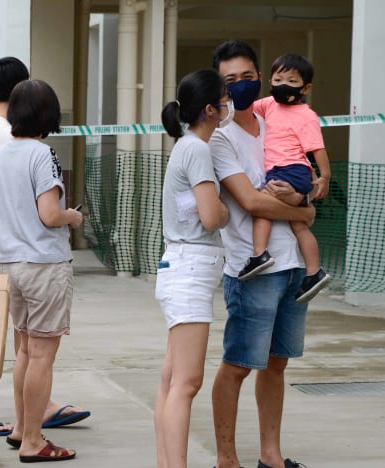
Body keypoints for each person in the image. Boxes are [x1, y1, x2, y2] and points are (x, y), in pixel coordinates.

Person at [0, 57, 90, 437]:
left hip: (9, 263)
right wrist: (72, 216)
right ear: (48, 116)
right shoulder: (42, 155)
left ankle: (21, 429)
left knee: (23, 352)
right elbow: (50, 215)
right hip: (44, 264)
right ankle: (33, 437)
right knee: (42, 357)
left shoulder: (0, 156)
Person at [209, 40, 316, 468]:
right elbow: (250, 203)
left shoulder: (279, 121)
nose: (241, 86)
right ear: (220, 86)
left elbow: (305, 179)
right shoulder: (220, 139)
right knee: (237, 365)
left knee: (276, 366)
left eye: (248, 77)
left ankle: (271, 457)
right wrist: (302, 209)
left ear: (262, 78)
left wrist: (306, 200)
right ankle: (226, 459)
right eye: (230, 80)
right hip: (253, 269)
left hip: (293, 268)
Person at [153, 69, 230, 468]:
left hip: (181, 266)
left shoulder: (185, 145)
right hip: (190, 269)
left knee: (173, 380)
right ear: (210, 110)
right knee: (187, 382)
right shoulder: (197, 150)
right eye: (225, 98)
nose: (228, 105)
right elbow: (211, 216)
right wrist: (225, 208)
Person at [238, 54, 332, 304]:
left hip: (290, 169)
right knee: (298, 225)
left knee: (263, 209)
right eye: (278, 79)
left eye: (291, 80)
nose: (283, 84)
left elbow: (317, 148)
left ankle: (259, 254)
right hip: (284, 170)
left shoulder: (306, 115)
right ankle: (314, 272)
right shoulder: (269, 105)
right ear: (270, 80)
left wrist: (325, 176)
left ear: (306, 87)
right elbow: (244, 110)